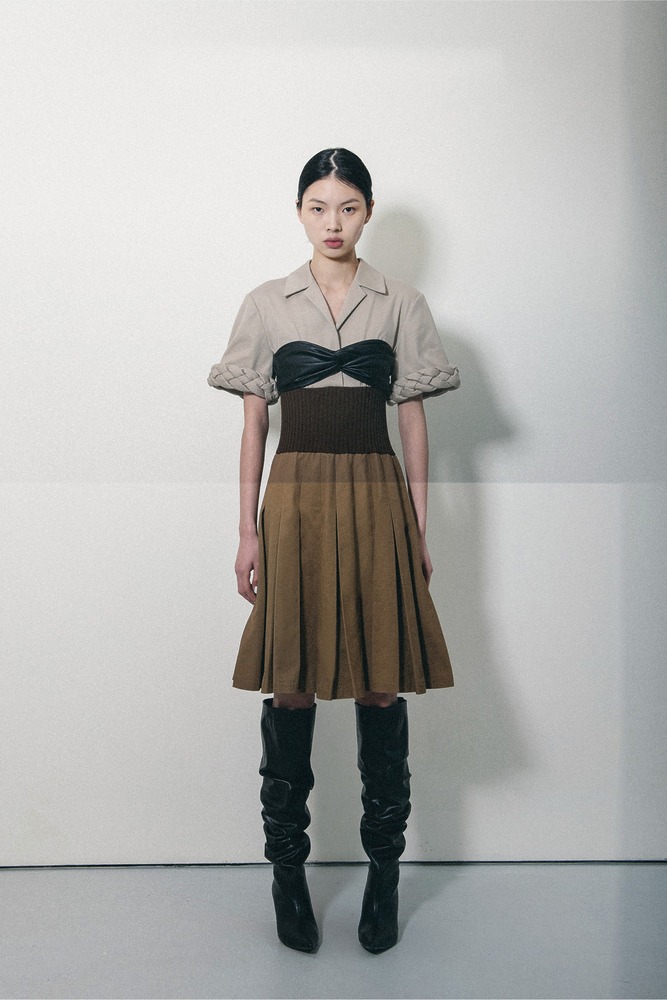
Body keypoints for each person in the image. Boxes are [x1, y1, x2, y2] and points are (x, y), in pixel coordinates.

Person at [208, 149, 460, 954]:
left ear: (367, 211)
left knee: (380, 683)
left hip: (376, 496)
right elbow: (253, 424)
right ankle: (288, 875)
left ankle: (384, 876)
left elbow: (413, 420)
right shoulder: (264, 303)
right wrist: (246, 529)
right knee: (291, 683)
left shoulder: (403, 302)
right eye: (318, 207)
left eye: (347, 207)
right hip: (294, 501)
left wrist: (417, 529)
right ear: (299, 212)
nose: (332, 222)